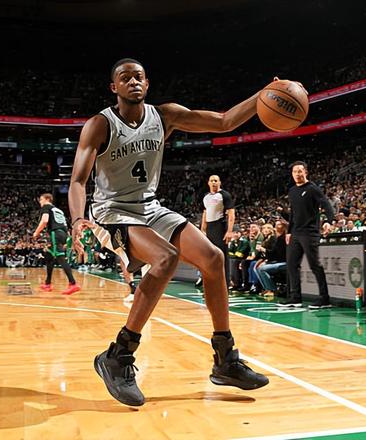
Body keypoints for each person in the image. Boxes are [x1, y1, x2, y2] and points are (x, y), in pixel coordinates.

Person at [68, 58, 271, 406]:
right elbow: (77, 181)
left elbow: (224, 122)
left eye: (139, 77)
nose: (133, 82)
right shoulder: (100, 125)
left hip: (149, 207)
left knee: (213, 258)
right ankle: (118, 356)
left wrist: (262, 95)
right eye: (125, 78)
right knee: (165, 258)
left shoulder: (165, 116)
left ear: (147, 84)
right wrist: (76, 220)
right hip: (111, 211)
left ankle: (225, 359)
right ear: (114, 87)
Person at [280, 161, 335, 309]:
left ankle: (324, 298)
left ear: (305, 172)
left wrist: (329, 221)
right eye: (295, 172)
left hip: (310, 232)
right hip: (295, 233)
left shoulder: (312, 189)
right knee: (292, 264)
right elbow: (293, 214)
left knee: (314, 264)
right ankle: (295, 297)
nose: (297, 174)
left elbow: (326, 205)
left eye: (300, 171)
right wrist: (289, 231)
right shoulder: (292, 191)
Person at [32, 193, 80, 295]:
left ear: (47, 199)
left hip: (55, 234)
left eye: (41, 199)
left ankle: (73, 283)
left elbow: (45, 220)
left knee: (60, 258)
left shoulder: (46, 207)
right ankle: (47, 283)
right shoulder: (58, 210)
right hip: (63, 234)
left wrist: (36, 232)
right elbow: (65, 224)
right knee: (49, 256)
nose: (40, 202)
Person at [202, 175, 235, 288]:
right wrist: (202, 229)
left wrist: (229, 231)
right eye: (212, 181)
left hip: (220, 227)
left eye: (216, 181)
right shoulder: (206, 197)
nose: (214, 182)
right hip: (209, 228)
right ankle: (211, 284)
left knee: (222, 256)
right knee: (210, 256)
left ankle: (225, 285)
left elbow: (231, 214)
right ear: (208, 183)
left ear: (219, 182)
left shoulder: (224, 195)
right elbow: (205, 213)